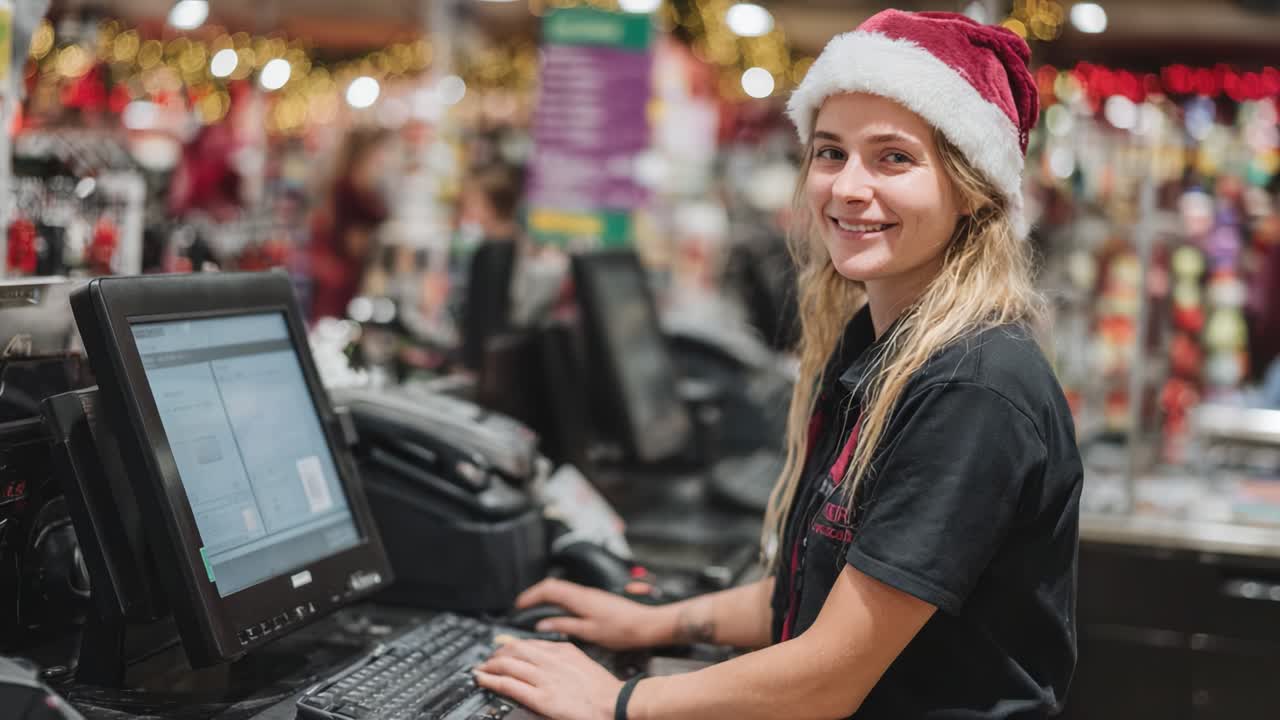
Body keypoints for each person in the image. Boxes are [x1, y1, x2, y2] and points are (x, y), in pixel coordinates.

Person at [474, 10, 1084, 720]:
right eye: (830, 152)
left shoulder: (971, 386)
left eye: (893, 158)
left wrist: (618, 700)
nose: (848, 187)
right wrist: (654, 623)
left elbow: (829, 678)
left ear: (971, 187)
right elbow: (812, 598)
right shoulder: (881, 347)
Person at [308, 127, 393, 321]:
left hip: (355, 270)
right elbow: (351, 240)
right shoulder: (348, 188)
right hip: (346, 272)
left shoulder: (364, 186)